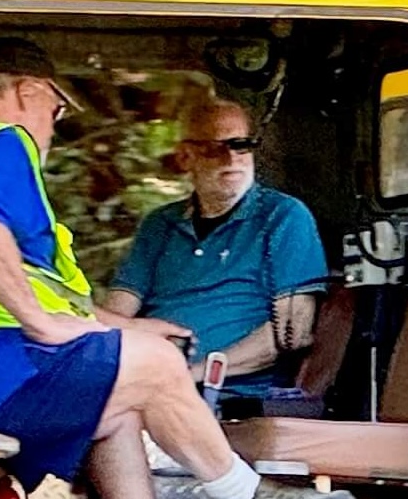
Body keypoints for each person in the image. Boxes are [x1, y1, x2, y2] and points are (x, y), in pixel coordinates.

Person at [0, 37, 355, 499]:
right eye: (56, 106)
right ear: (28, 91)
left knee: (118, 407)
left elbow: (56, 292)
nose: (54, 121)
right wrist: (46, 325)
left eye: (241, 146)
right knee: (156, 366)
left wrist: (132, 331)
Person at [103, 99, 327, 399]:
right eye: (214, 148)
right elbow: (114, 316)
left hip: (231, 394)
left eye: (241, 144)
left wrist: (191, 374)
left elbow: (290, 334)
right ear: (185, 157)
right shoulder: (159, 224)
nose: (231, 158)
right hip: (146, 383)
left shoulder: (283, 215)